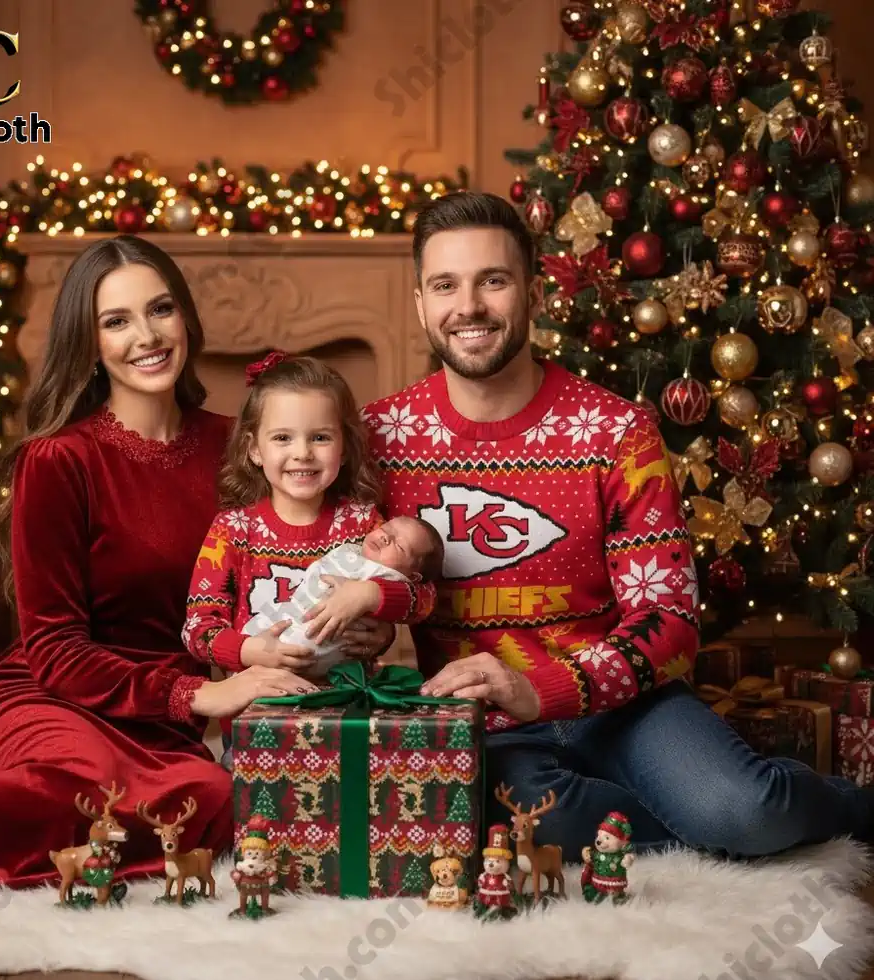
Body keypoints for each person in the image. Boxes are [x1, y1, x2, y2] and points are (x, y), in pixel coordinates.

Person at [361, 191, 874, 862]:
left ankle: (843, 804)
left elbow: (670, 623)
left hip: (628, 707)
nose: (470, 306)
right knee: (524, 826)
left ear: (533, 293)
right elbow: (333, 571)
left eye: (493, 280)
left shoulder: (615, 431)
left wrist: (541, 686)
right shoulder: (379, 439)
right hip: (485, 726)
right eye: (445, 285)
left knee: (744, 814)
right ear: (422, 305)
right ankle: (690, 825)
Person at [0, 236, 343, 888]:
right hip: (47, 698)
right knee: (94, 792)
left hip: (161, 728)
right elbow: (57, 653)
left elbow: (288, 562)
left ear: (185, 317)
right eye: (116, 321)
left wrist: (349, 616)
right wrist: (205, 692)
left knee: (210, 800)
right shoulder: (58, 461)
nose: (146, 336)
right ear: (89, 342)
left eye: (160, 310)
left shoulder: (242, 446)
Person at [182, 352, 436, 683]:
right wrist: (247, 651)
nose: (302, 453)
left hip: (345, 705)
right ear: (254, 448)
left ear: (343, 447)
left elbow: (425, 599)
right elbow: (197, 629)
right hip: (258, 708)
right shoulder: (232, 531)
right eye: (282, 438)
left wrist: (373, 601)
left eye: (320, 437)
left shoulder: (362, 523)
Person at [242, 514, 444, 678]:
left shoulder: (379, 560)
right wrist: (240, 651)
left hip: (319, 643)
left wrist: (374, 594)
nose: (386, 537)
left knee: (298, 651)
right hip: (288, 618)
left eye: (399, 547)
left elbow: (424, 597)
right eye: (386, 529)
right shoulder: (237, 526)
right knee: (257, 637)